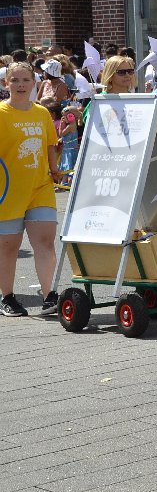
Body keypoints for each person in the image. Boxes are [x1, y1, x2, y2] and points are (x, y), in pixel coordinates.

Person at [0, 62, 62, 317]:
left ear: (34, 83)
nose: (21, 85)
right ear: (6, 83)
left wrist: (54, 169)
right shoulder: (1, 113)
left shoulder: (41, 113)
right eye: (15, 80)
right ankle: (7, 297)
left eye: (26, 80)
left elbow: (49, 145)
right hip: (8, 191)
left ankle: (50, 296)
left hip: (40, 188)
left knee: (45, 242)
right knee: (8, 247)